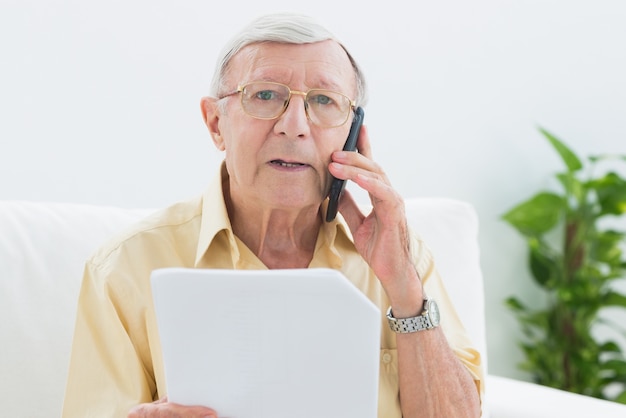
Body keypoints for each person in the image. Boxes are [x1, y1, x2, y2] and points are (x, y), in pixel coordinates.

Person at [62, 12, 484, 418]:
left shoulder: (403, 260)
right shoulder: (122, 270)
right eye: (264, 95)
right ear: (215, 124)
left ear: (353, 134)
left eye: (323, 100)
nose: (294, 125)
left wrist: (404, 288)